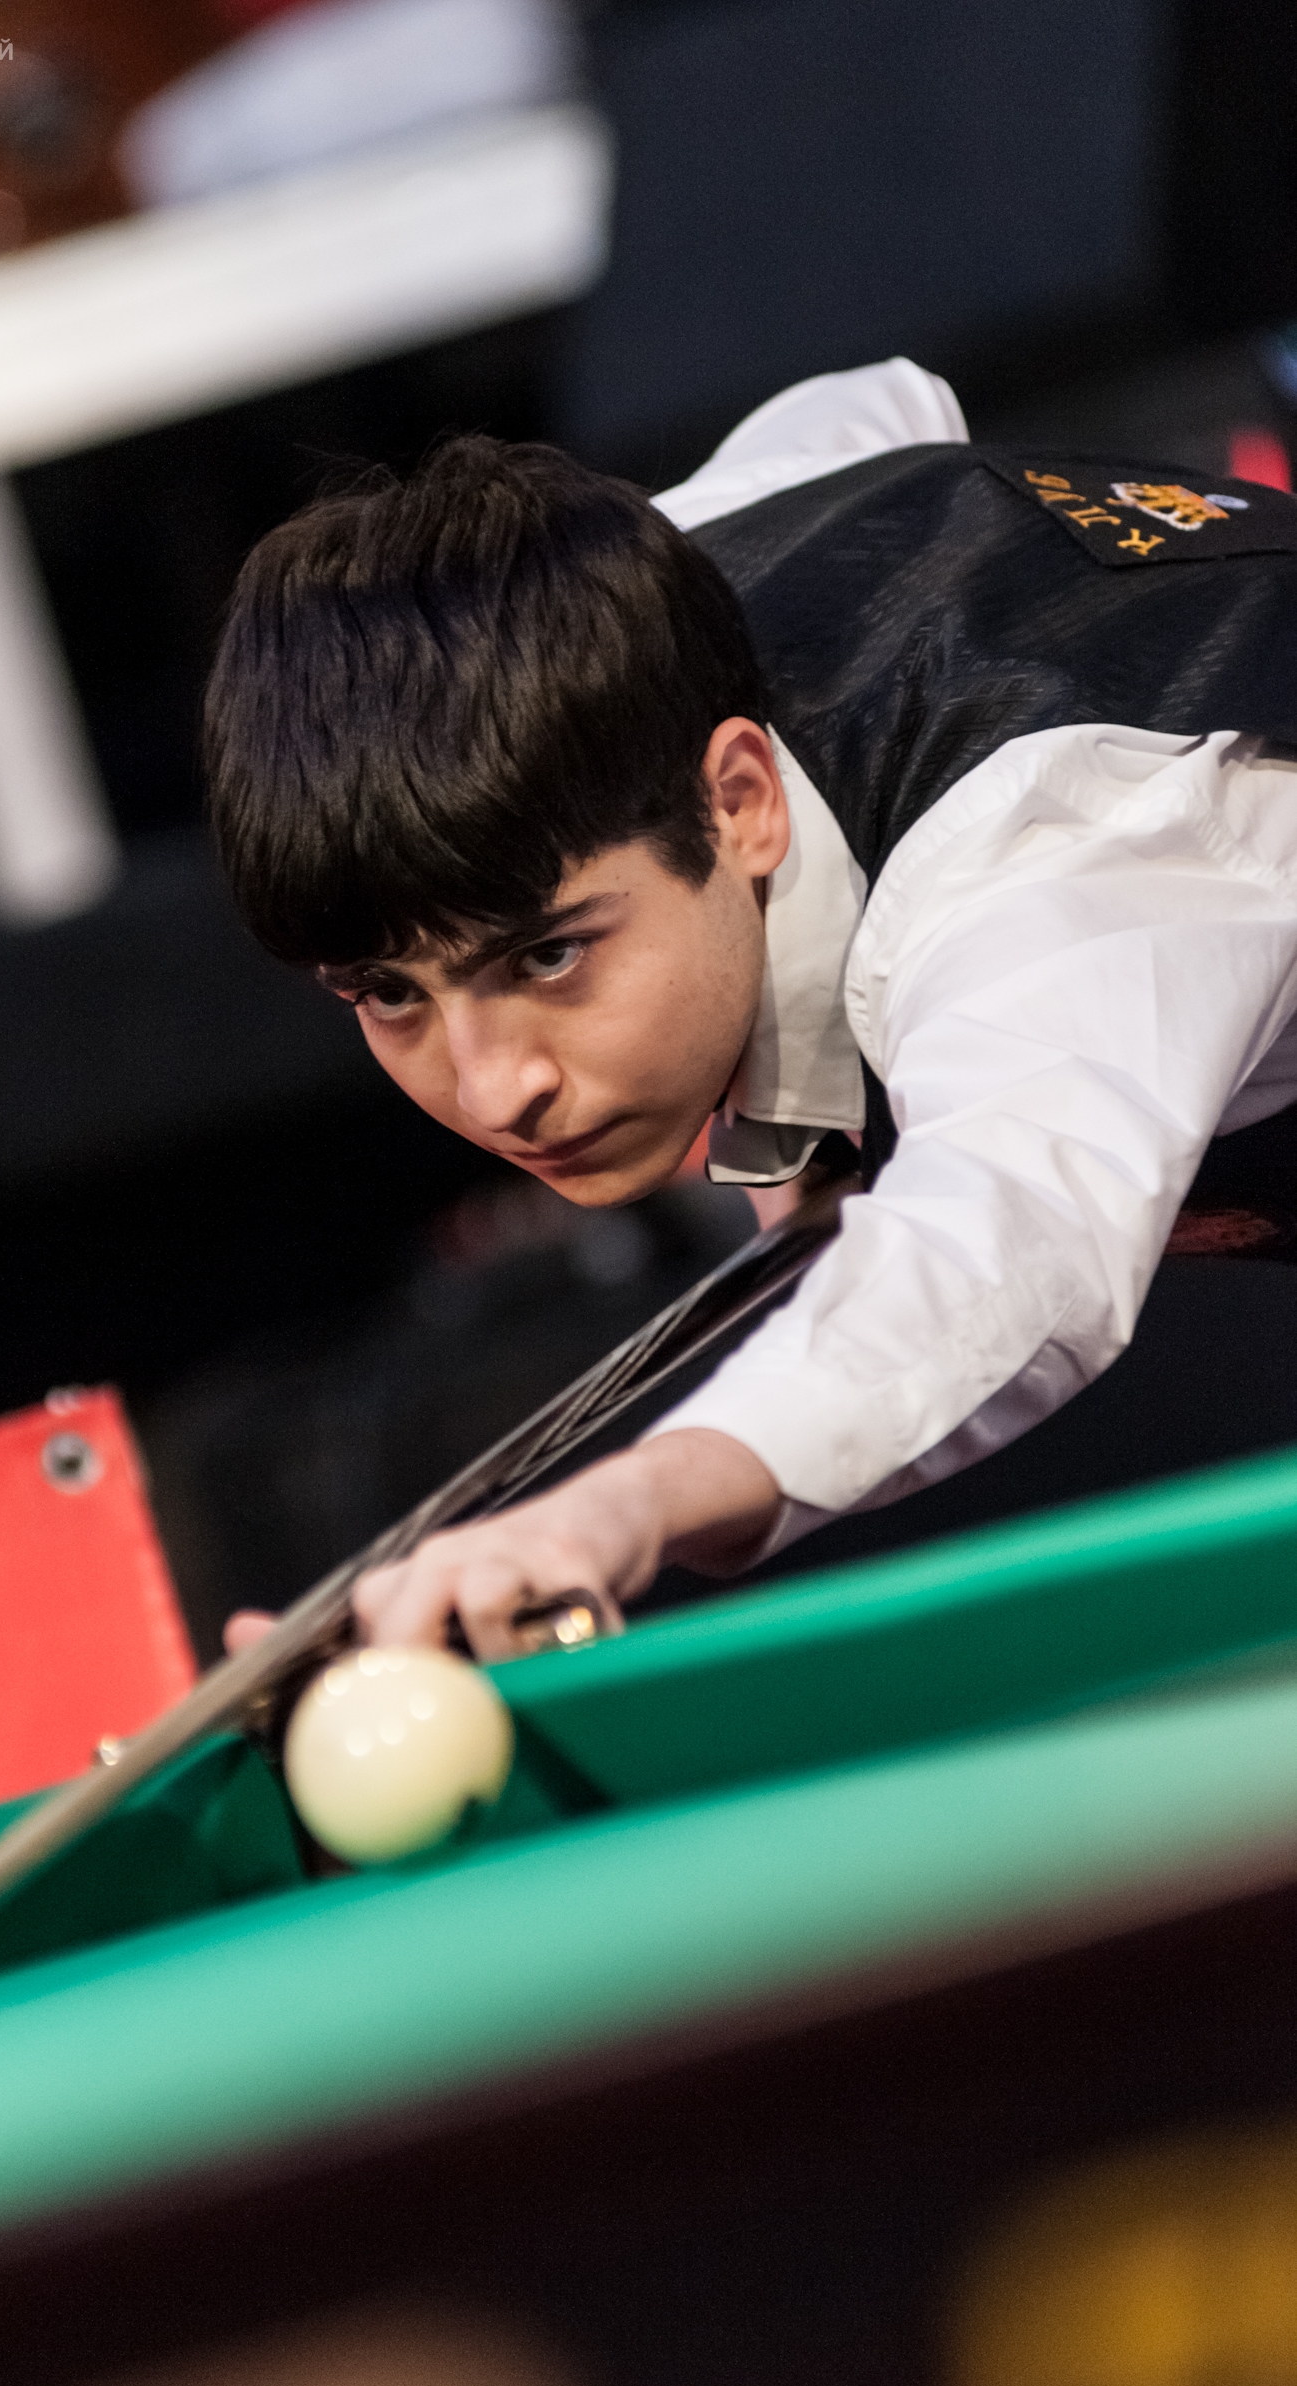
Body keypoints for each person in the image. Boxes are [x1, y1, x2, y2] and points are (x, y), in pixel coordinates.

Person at [203, 357, 1297, 1661]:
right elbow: (875, 404)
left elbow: (998, 1252)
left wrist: (616, 1511)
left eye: (548, 959)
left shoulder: (1062, 858)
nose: (495, 1088)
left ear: (739, 801)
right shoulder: (651, 601)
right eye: (389, 994)